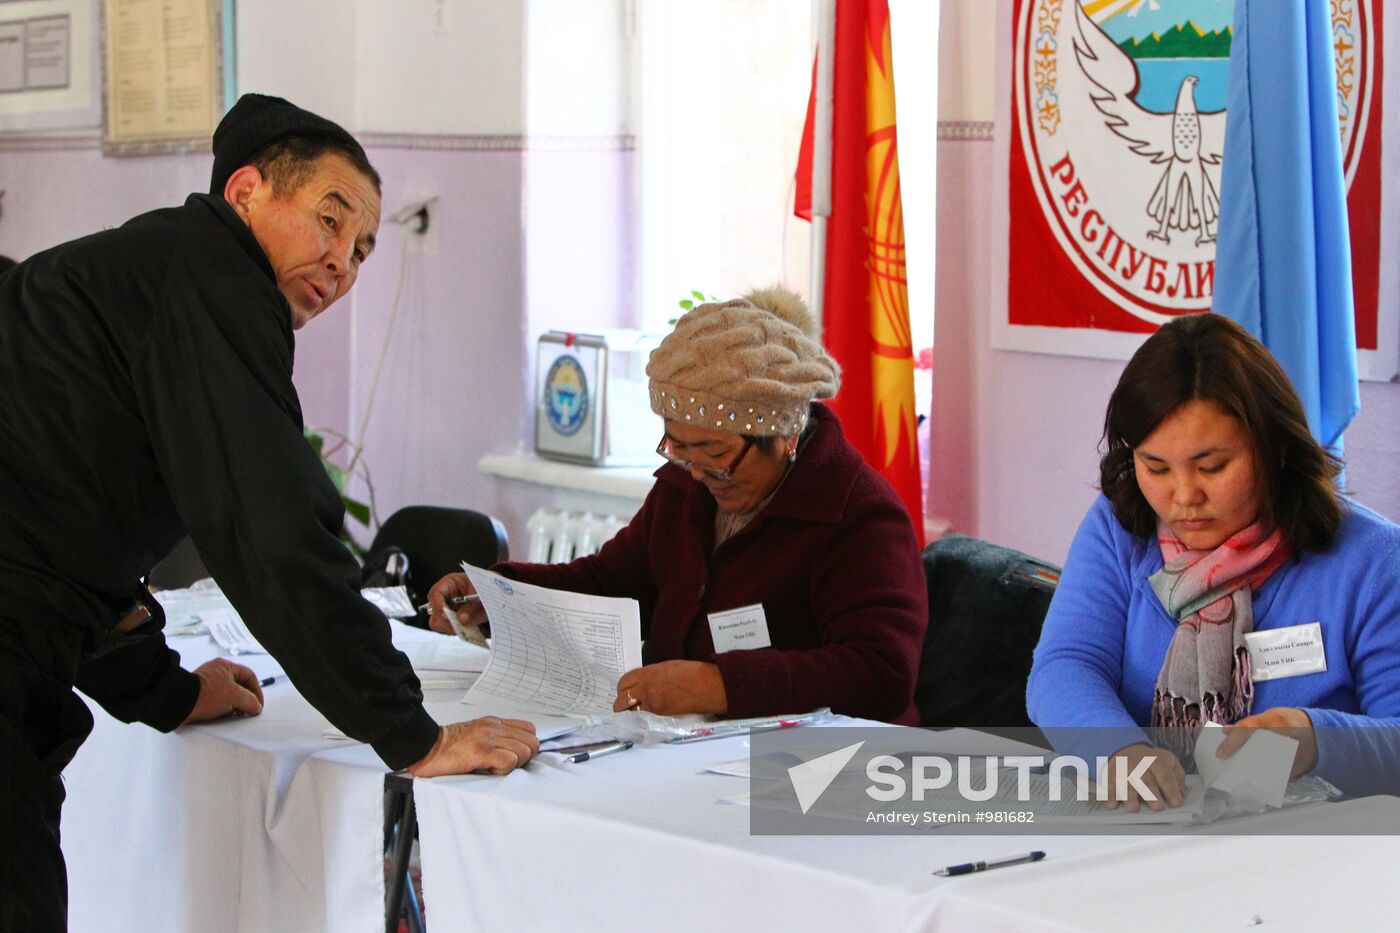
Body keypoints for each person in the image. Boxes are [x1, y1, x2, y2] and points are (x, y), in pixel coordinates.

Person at [0, 94, 537, 931]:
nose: (341, 266)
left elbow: (61, 532)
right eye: (328, 221)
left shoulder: (154, 273)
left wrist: (168, 693)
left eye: (361, 252)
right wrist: (413, 735)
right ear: (246, 191)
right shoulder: (212, 275)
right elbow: (272, 530)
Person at [428, 286, 928, 723]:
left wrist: (717, 684)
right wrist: (499, 597)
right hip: (691, 749)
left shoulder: (856, 515)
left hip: (817, 772)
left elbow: (881, 673)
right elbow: (612, 585)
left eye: (715, 454)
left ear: (784, 435)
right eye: (677, 445)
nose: (695, 472)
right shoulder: (684, 489)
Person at [1027, 313, 1400, 811]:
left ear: (1275, 448)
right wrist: (1116, 750)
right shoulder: (1122, 525)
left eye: (1212, 467)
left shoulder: (1372, 560)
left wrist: (1314, 739)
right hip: (1155, 827)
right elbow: (1066, 664)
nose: (1184, 496)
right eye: (1155, 467)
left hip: (1314, 845)